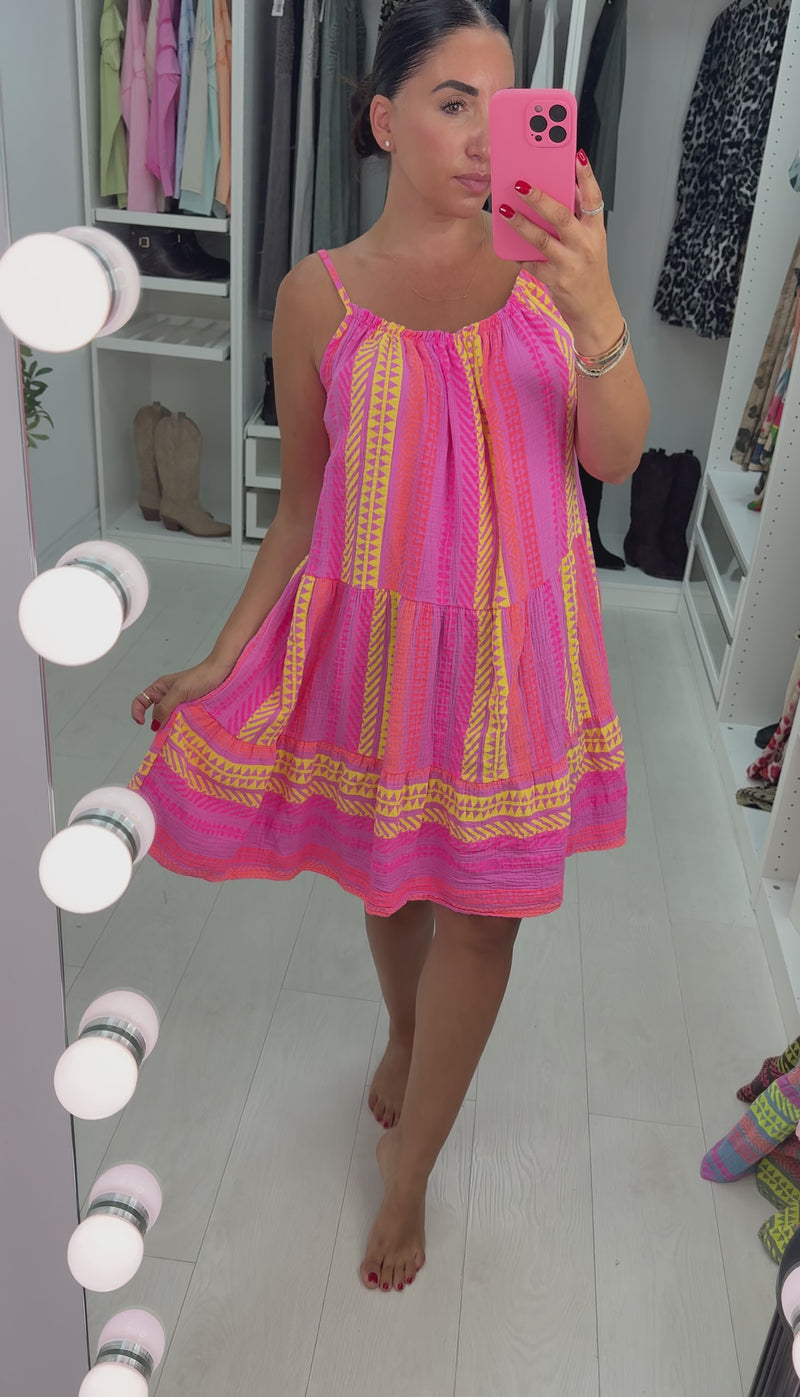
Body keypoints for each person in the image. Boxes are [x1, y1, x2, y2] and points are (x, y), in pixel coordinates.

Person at [129, 0, 650, 1298]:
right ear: (380, 118)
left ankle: (411, 1170)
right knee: (394, 880)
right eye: (450, 102)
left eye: (503, 105)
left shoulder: (553, 272)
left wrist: (593, 302)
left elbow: (615, 456)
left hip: (518, 647)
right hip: (381, 645)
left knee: (488, 923)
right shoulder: (318, 295)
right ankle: (405, 1030)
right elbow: (301, 508)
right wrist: (224, 655)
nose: (482, 136)